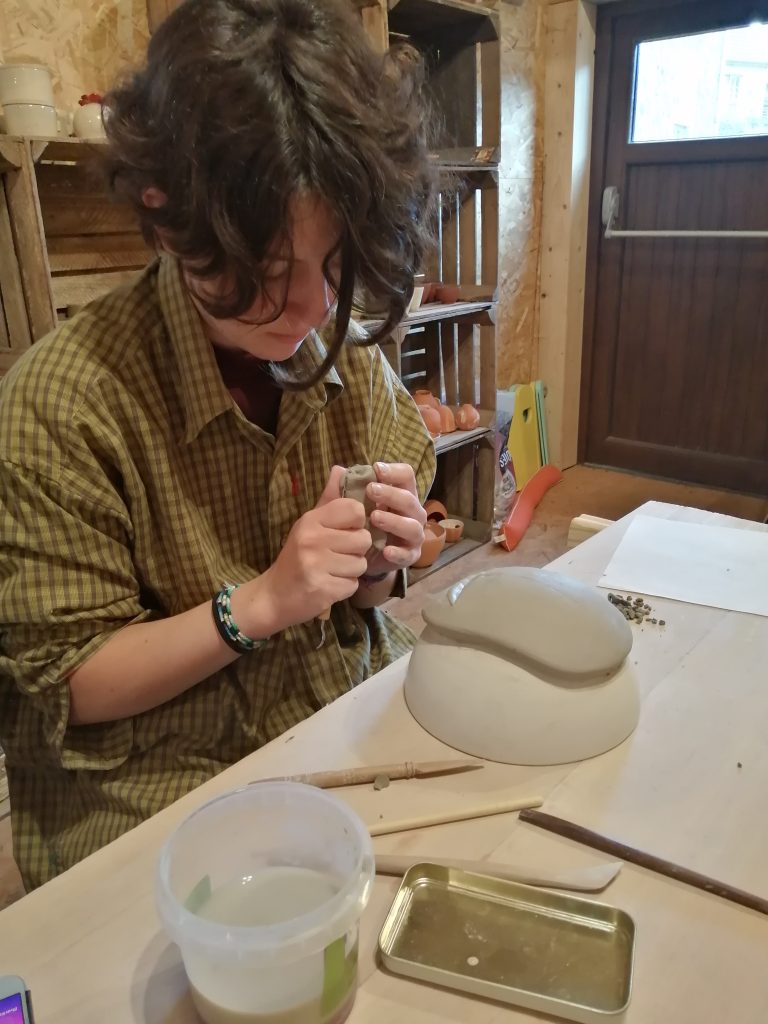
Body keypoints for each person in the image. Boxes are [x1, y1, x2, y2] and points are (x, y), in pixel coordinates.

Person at [0, 0, 437, 890]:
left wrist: (380, 562)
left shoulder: (347, 356)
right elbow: (70, 681)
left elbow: (366, 600)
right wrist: (261, 603)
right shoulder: (60, 408)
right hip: (160, 782)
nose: (315, 309)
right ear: (165, 219)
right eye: (271, 271)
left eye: (335, 264)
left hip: (336, 720)